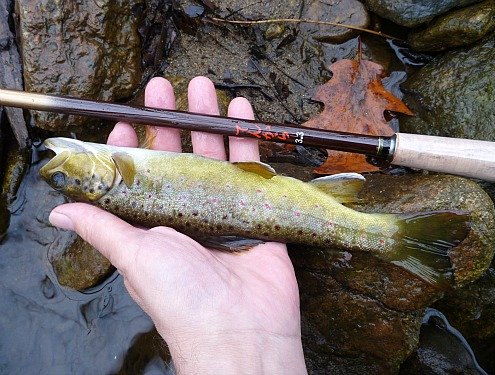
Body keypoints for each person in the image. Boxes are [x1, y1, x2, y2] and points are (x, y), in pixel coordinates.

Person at [48, 77, 308, 374]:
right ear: (95, 186)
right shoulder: (118, 173)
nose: (60, 170)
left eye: (60, 177)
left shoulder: (119, 169)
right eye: (61, 178)